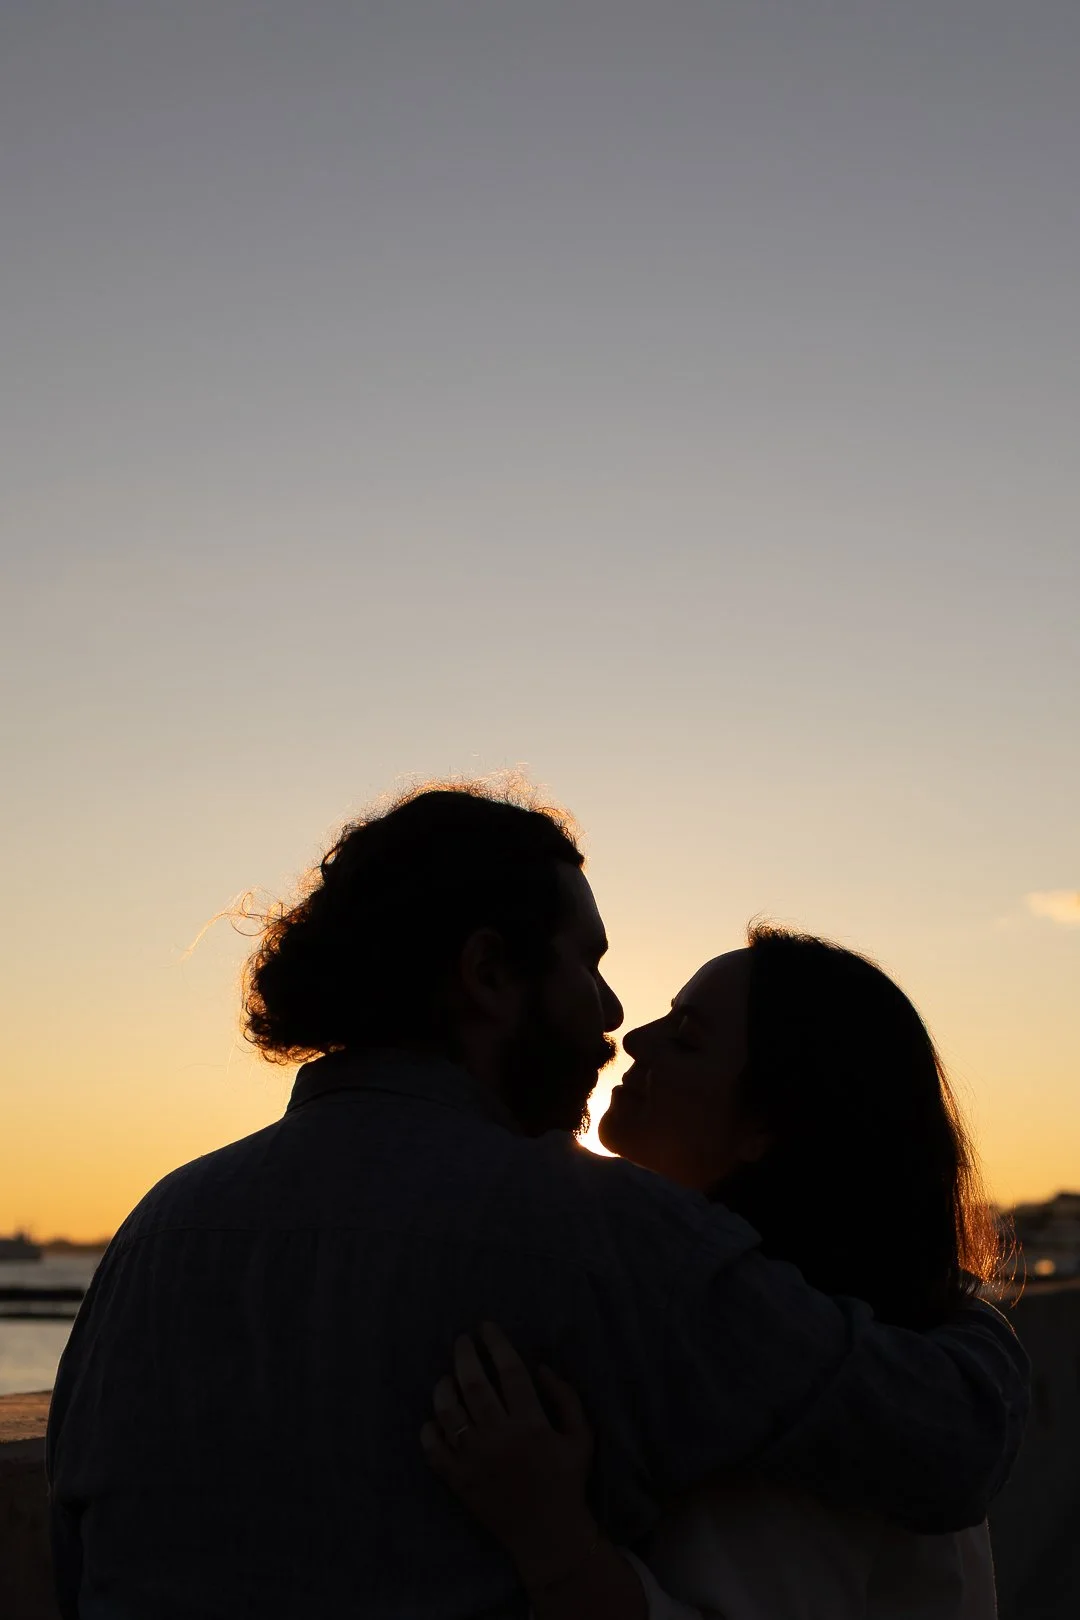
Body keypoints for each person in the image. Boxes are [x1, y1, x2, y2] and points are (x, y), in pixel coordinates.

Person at [46, 784, 1026, 1619]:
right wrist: (969, 1315)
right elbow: (950, 1442)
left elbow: (75, 1554)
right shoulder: (598, 1230)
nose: (613, 1017)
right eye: (589, 965)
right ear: (487, 974)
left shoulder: (157, 1227)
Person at [423, 928, 1006, 1617]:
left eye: (687, 1037)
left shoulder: (775, 1378)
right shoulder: (839, 1339)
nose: (635, 1037)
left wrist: (548, 1531)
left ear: (766, 1126)